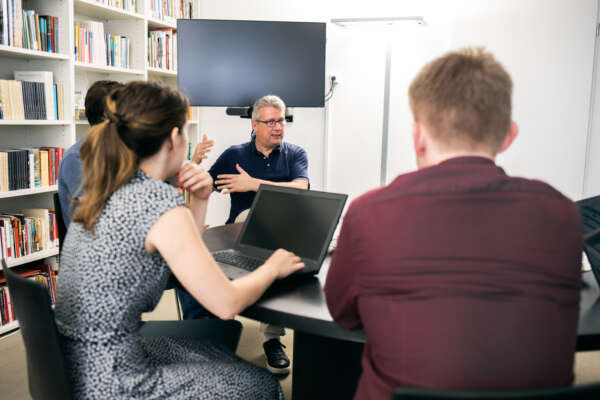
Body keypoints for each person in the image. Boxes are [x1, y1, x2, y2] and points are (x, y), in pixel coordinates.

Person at [324, 48, 582, 399]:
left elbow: (342, 314)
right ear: (509, 135)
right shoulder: (562, 213)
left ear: (418, 136)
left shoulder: (369, 212)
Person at [54, 81, 305, 399]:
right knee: (265, 385)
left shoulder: (109, 188)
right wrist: (273, 267)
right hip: (116, 382)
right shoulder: (158, 201)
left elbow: (185, 257)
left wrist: (199, 199)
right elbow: (226, 304)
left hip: (77, 364)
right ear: (174, 138)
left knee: (212, 349)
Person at [178, 95, 309, 374]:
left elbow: (302, 189)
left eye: (281, 121)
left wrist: (252, 184)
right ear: (255, 124)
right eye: (271, 121)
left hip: (280, 233)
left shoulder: (295, 153)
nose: (278, 127)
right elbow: (202, 187)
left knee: (280, 240)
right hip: (239, 230)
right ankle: (216, 335)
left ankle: (272, 339)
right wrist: (195, 161)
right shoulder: (235, 155)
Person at [58, 80, 123, 228]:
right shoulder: (76, 158)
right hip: (91, 245)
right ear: (105, 117)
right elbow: (97, 219)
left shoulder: (121, 151)